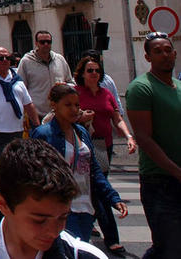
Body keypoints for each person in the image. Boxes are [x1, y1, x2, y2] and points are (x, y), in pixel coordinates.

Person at [0, 138, 109, 259]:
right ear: (3, 204)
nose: (53, 232)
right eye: (39, 220)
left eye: (63, 217)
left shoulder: (85, 256)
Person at [31, 84, 127, 242]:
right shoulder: (44, 134)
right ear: (54, 105)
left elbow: (94, 169)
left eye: (77, 105)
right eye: (67, 105)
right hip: (61, 208)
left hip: (86, 206)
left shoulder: (81, 132)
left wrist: (113, 198)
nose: (74, 110)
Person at [125, 31, 181, 259]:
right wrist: (177, 171)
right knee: (170, 247)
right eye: (157, 52)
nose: (164, 55)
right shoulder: (141, 88)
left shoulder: (177, 85)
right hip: (160, 182)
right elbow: (144, 138)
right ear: (147, 57)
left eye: (168, 50)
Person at [74, 56, 136, 253]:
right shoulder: (75, 93)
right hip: (84, 145)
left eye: (97, 71)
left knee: (96, 186)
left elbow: (116, 118)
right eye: (90, 70)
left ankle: (89, 219)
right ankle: (112, 237)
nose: (94, 74)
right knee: (100, 187)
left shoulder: (106, 93)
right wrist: (81, 116)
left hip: (103, 146)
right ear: (82, 74)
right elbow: (64, 114)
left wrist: (128, 136)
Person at [17, 31, 73, 117]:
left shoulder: (60, 59)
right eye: (42, 42)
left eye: (48, 42)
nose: (46, 44)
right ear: (36, 43)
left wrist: (65, 85)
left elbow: (71, 82)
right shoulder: (26, 62)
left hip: (59, 113)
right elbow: (20, 88)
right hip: (37, 114)